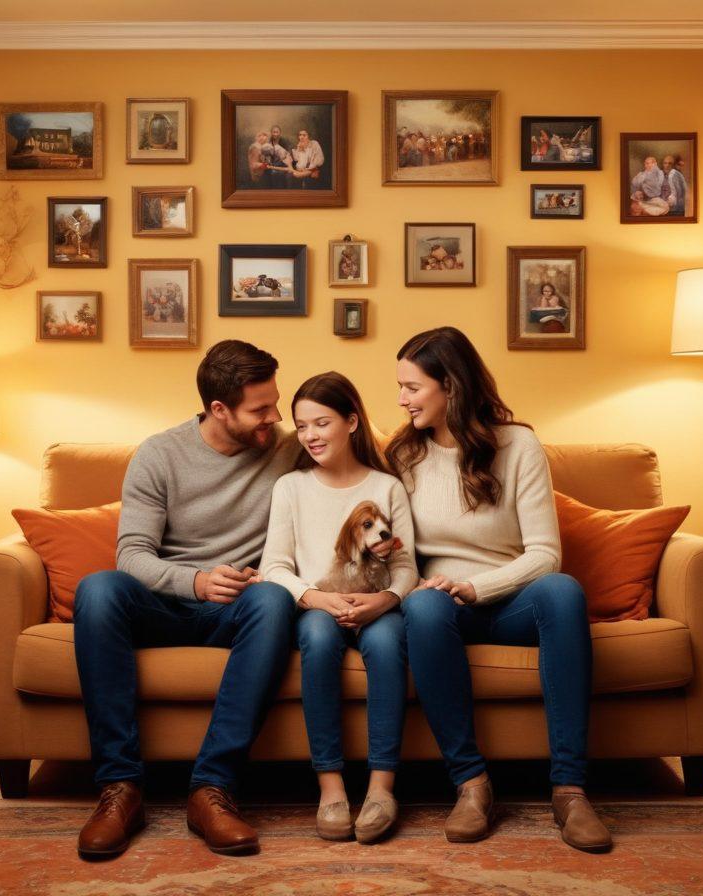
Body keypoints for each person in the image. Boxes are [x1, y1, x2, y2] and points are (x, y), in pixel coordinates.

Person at [72, 340, 301, 860]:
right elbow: (131, 554)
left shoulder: (287, 445)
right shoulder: (160, 454)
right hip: (167, 604)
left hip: (241, 606)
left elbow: (355, 443)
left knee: (273, 602)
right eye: (261, 409)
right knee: (99, 588)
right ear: (218, 409)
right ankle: (120, 790)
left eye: (276, 403)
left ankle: (211, 789)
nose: (275, 418)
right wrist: (195, 582)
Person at [387, 326, 612, 853]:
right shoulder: (403, 454)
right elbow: (398, 546)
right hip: (439, 604)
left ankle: (571, 790)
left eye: (412, 388)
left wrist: (473, 585)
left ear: (451, 386)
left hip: (511, 596)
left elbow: (544, 554)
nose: (401, 399)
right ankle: (471, 785)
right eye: (399, 387)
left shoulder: (518, 445)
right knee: (422, 608)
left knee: (563, 591)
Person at [261, 372, 417, 844]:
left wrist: (384, 600)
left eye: (321, 423)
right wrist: (314, 597)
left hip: (377, 606)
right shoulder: (290, 487)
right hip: (317, 608)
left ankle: (381, 788)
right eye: (301, 425)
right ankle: (330, 788)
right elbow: (274, 565)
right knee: (317, 637)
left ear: (351, 421)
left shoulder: (388, 486)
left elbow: (409, 568)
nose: (309, 435)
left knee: (390, 643)